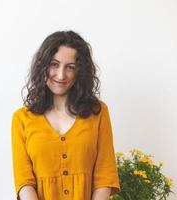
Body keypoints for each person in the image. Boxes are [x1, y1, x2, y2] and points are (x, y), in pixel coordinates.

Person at [11, 30, 121, 200]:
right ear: (43, 66)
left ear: (80, 72)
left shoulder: (98, 112)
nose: (61, 75)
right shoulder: (22, 118)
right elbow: (24, 182)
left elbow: (104, 177)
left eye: (70, 67)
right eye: (54, 64)